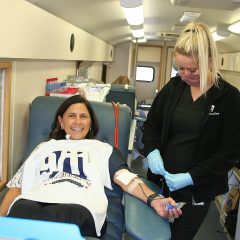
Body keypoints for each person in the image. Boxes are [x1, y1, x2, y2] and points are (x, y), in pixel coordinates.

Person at [0, 95, 181, 238]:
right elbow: (17, 185)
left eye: (83, 117)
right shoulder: (43, 147)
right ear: (61, 122)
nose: (78, 122)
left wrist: (154, 199)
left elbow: (127, 179)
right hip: (35, 197)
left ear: (90, 123)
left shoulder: (102, 149)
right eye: (72, 116)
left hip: (79, 204)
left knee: (59, 215)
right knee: (21, 209)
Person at [142, 22, 240, 240]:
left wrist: (191, 177)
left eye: (192, 70)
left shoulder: (229, 98)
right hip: (160, 184)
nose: (185, 75)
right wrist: (152, 151)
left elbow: (229, 153)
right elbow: (151, 126)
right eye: (180, 68)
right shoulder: (174, 87)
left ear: (210, 61)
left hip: (197, 193)